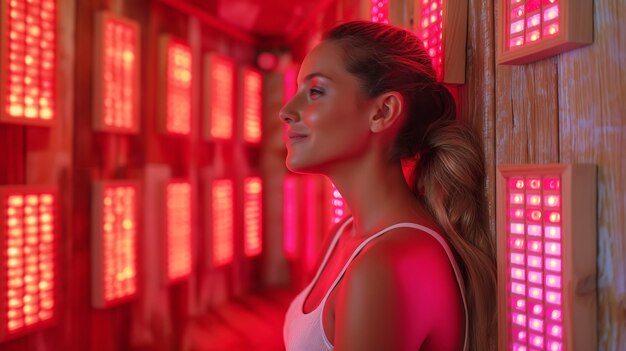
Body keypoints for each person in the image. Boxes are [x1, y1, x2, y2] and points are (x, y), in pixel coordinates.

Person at [280, 20, 496, 351]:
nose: (287, 111)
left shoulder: (387, 265)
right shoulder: (343, 235)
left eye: (315, 91)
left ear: (383, 112)